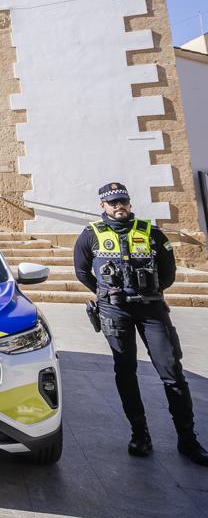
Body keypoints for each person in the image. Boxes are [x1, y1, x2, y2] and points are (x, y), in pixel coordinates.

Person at [74, 182, 208, 465]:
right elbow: (82, 271)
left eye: (122, 200)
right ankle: (140, 434)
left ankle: (188, 439)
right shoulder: (90, 235)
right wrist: (108, 295)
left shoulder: (153, 233)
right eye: (113, 202)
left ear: (130, 202)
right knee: (125, 370)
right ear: (103, 206)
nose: (118, 206)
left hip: (152, 309)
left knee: (171, 371)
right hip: (115, 311)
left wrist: (146, 291)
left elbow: (168, 273)